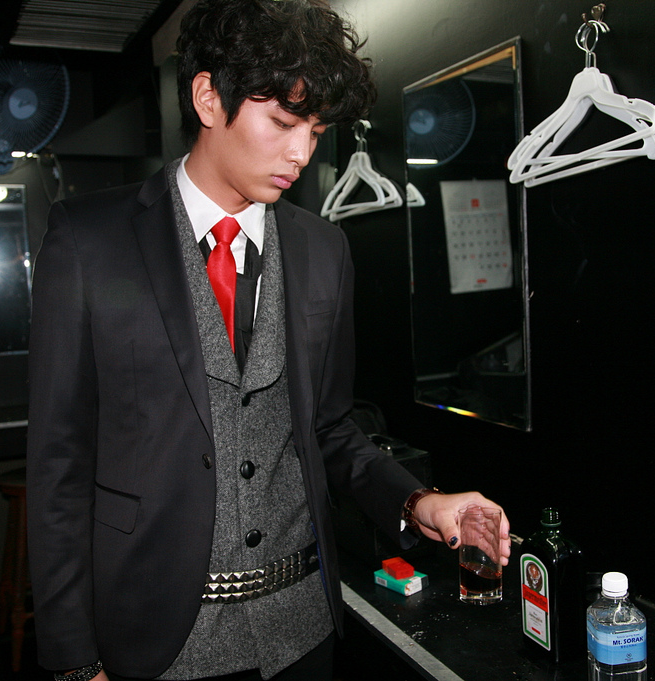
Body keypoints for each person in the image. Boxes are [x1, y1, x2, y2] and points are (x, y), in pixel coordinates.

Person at [25, 2, 511, 680]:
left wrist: (418, 500)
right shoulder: (89, 240)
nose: (301, 153)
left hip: (301, 632)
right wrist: (75, 661)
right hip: (154, 636)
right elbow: (59, 465)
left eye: (315, 130)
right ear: (207, 97)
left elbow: (330, 427)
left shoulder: (323, 249)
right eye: (283, 122)